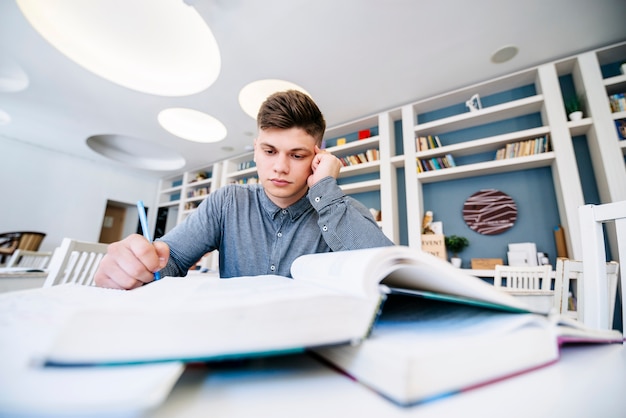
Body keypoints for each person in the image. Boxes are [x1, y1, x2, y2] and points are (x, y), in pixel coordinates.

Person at [95, 90, 394, 289]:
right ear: (255, 150)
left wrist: (326, 191)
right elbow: (169, 261)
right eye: (269, 151)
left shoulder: (340, 210)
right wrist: (140, 264)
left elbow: (391, 275)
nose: (279, 167)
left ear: (318, 158)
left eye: (297, 155)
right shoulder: (228, 202)